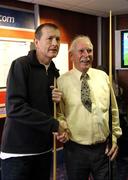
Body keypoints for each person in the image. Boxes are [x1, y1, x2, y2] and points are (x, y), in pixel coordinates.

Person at [0, 23, 68, 180]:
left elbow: (45, 109)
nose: (55, 43)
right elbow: (15, 108)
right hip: (17, 154)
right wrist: (54, 125)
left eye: (57, 39)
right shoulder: (21, 65)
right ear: (36, 42)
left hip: (43, 150)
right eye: (49, 38)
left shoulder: (54, 72)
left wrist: (57, 102)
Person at [56, 35, 122, 180]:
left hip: (104, 149)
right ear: (71, 55)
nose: (86, 55)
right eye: (81, 51)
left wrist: (115, 138)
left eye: (89, 51)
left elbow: (113, 110)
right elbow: (59, 114)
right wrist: (62, 127)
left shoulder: (104, 77)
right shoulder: (61, 82)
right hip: (75, 151)